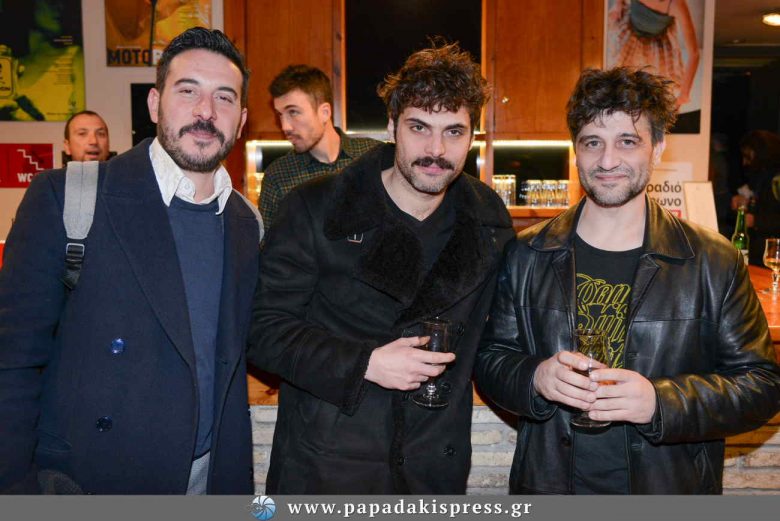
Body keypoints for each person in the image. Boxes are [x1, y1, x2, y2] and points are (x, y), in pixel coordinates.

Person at [475, 67, 780, 494]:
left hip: (669, 489)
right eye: (592, 142)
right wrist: (536, 378)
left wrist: (660, 402)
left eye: (627, 141)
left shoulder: (713, 261)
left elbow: (761, 386)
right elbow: (491, 360)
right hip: (550, 486)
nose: (607, 161)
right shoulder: (527, 254)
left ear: (658, 148)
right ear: (576, 150)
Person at [0, 27, 262, 494]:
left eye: (224, 97)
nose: (205, 111)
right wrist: (17, 491)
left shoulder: (248, 223)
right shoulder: (68, 196)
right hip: (89, 480)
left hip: (210, 480)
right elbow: (13, 361)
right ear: (155, 104)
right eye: (188, 91)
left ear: (241, 120)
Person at [247, 43, 514, 494]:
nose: (436, 149)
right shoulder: (317, 207)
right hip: (328, 466)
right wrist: (365, 362)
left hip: (432, 469)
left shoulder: (487, 217)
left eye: (453, 132)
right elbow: (262, 330)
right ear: (392, 127)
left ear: (472, 136)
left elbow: (496, 335)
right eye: (419, 127)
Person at [259, 65, 379, 229]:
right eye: (280, 115)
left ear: (325, 112)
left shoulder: (373, 156)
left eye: (293, 112)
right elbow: (268, 243)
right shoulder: (277, 176)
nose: (285, 126)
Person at [607, 0, 699, 109]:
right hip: (630, 32)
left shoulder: (676, 4)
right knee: (619, 78)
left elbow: (694, 54)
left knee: (656, 90)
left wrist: (684, 93)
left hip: (656, 45)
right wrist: (618, 4)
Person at [731, 130, 780, 265]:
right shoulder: (762, 176)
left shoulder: (776, 179)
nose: (745, 162)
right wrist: (746, 201)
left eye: (748, 156)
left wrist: (756, 221)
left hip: (773, 252)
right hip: (761, 250)